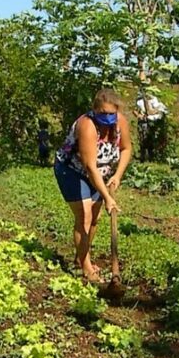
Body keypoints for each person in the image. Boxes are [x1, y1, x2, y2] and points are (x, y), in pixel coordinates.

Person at [55, 89, 132, 281]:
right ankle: (86, 267)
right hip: (73, 171)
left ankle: (79, 257)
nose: (107, 118)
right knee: (85, 216)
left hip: (102, 173)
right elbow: (90, 166)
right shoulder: (87, 126)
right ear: (94, 110)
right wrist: (107, 197)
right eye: (102, 113)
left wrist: (118, 175)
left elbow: (126, 148)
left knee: (95, 219)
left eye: (110, 113)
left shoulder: (120, 122)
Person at [135, 94, 167, 162]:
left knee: (151, 141)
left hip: (153, 122)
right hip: (144, 122)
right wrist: (139, 115)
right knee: (143, 140)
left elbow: (151, 111)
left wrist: (154, 111)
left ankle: (152, 157)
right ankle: (143, 157)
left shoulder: (154, 100)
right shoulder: (140, 101)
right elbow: (135, 110)